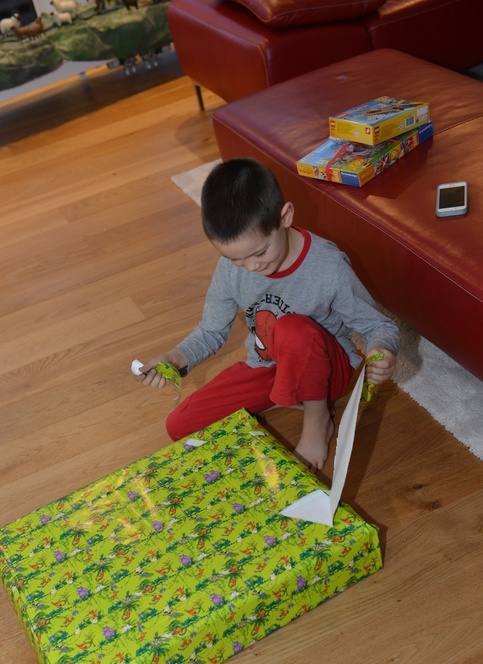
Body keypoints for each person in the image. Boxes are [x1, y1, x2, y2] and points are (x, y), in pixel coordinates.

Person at [136, 158, 400, 470]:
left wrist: (382, 350)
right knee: (180, 425)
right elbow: (211, 331)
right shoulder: (231, 270)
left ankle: (318, 421)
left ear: (285, 217)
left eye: (260, 253)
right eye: (235, 259)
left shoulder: (328, 266)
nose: (251, 267)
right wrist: (174, 357)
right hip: (268, 367)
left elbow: (378, 326)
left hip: (327, 373)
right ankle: (285, 395)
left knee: (291, 329)